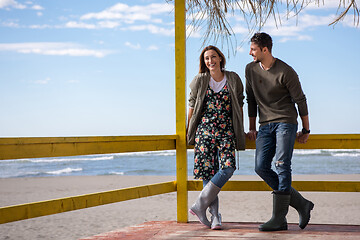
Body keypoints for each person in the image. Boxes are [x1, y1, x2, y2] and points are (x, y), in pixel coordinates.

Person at [245, 32, 314, 231]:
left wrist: (306, 129)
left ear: (265, 49)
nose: (250, 53)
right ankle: (301, 204)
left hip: (285, 121)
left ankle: (279, 218)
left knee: (282, 164)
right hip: (264, 124)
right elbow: (250, 99)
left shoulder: (286, 71)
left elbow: (301, 100)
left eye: (253, 49)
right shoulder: (250, 69)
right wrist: (251, 127)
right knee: (261, 167)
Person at [187, 45, 245, 230]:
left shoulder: (233, 78)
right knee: (208, 173)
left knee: (228, 168)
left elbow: (239, 105)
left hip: (227, 131)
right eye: (206, 59)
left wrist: (241, 129)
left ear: (220, 58)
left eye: (213, 57)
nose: (210, 61)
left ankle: (200, 205)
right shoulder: (200, 80)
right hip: (204, 131)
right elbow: (192, 106)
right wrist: (189, 130)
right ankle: (215, 217)